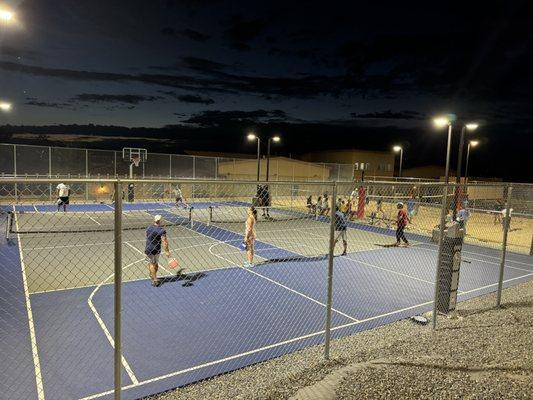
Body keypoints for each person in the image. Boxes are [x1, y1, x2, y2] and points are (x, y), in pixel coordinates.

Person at [145, 214, 171, 287]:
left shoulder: (149, 227)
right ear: (160, 221)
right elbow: (164, 241)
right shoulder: (161, 230)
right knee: (154, 264)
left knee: (152, 263)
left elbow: (146, 235)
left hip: (148, 248)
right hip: (156, 249)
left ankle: (152, 275)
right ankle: (155, 280)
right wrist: (167, 251)